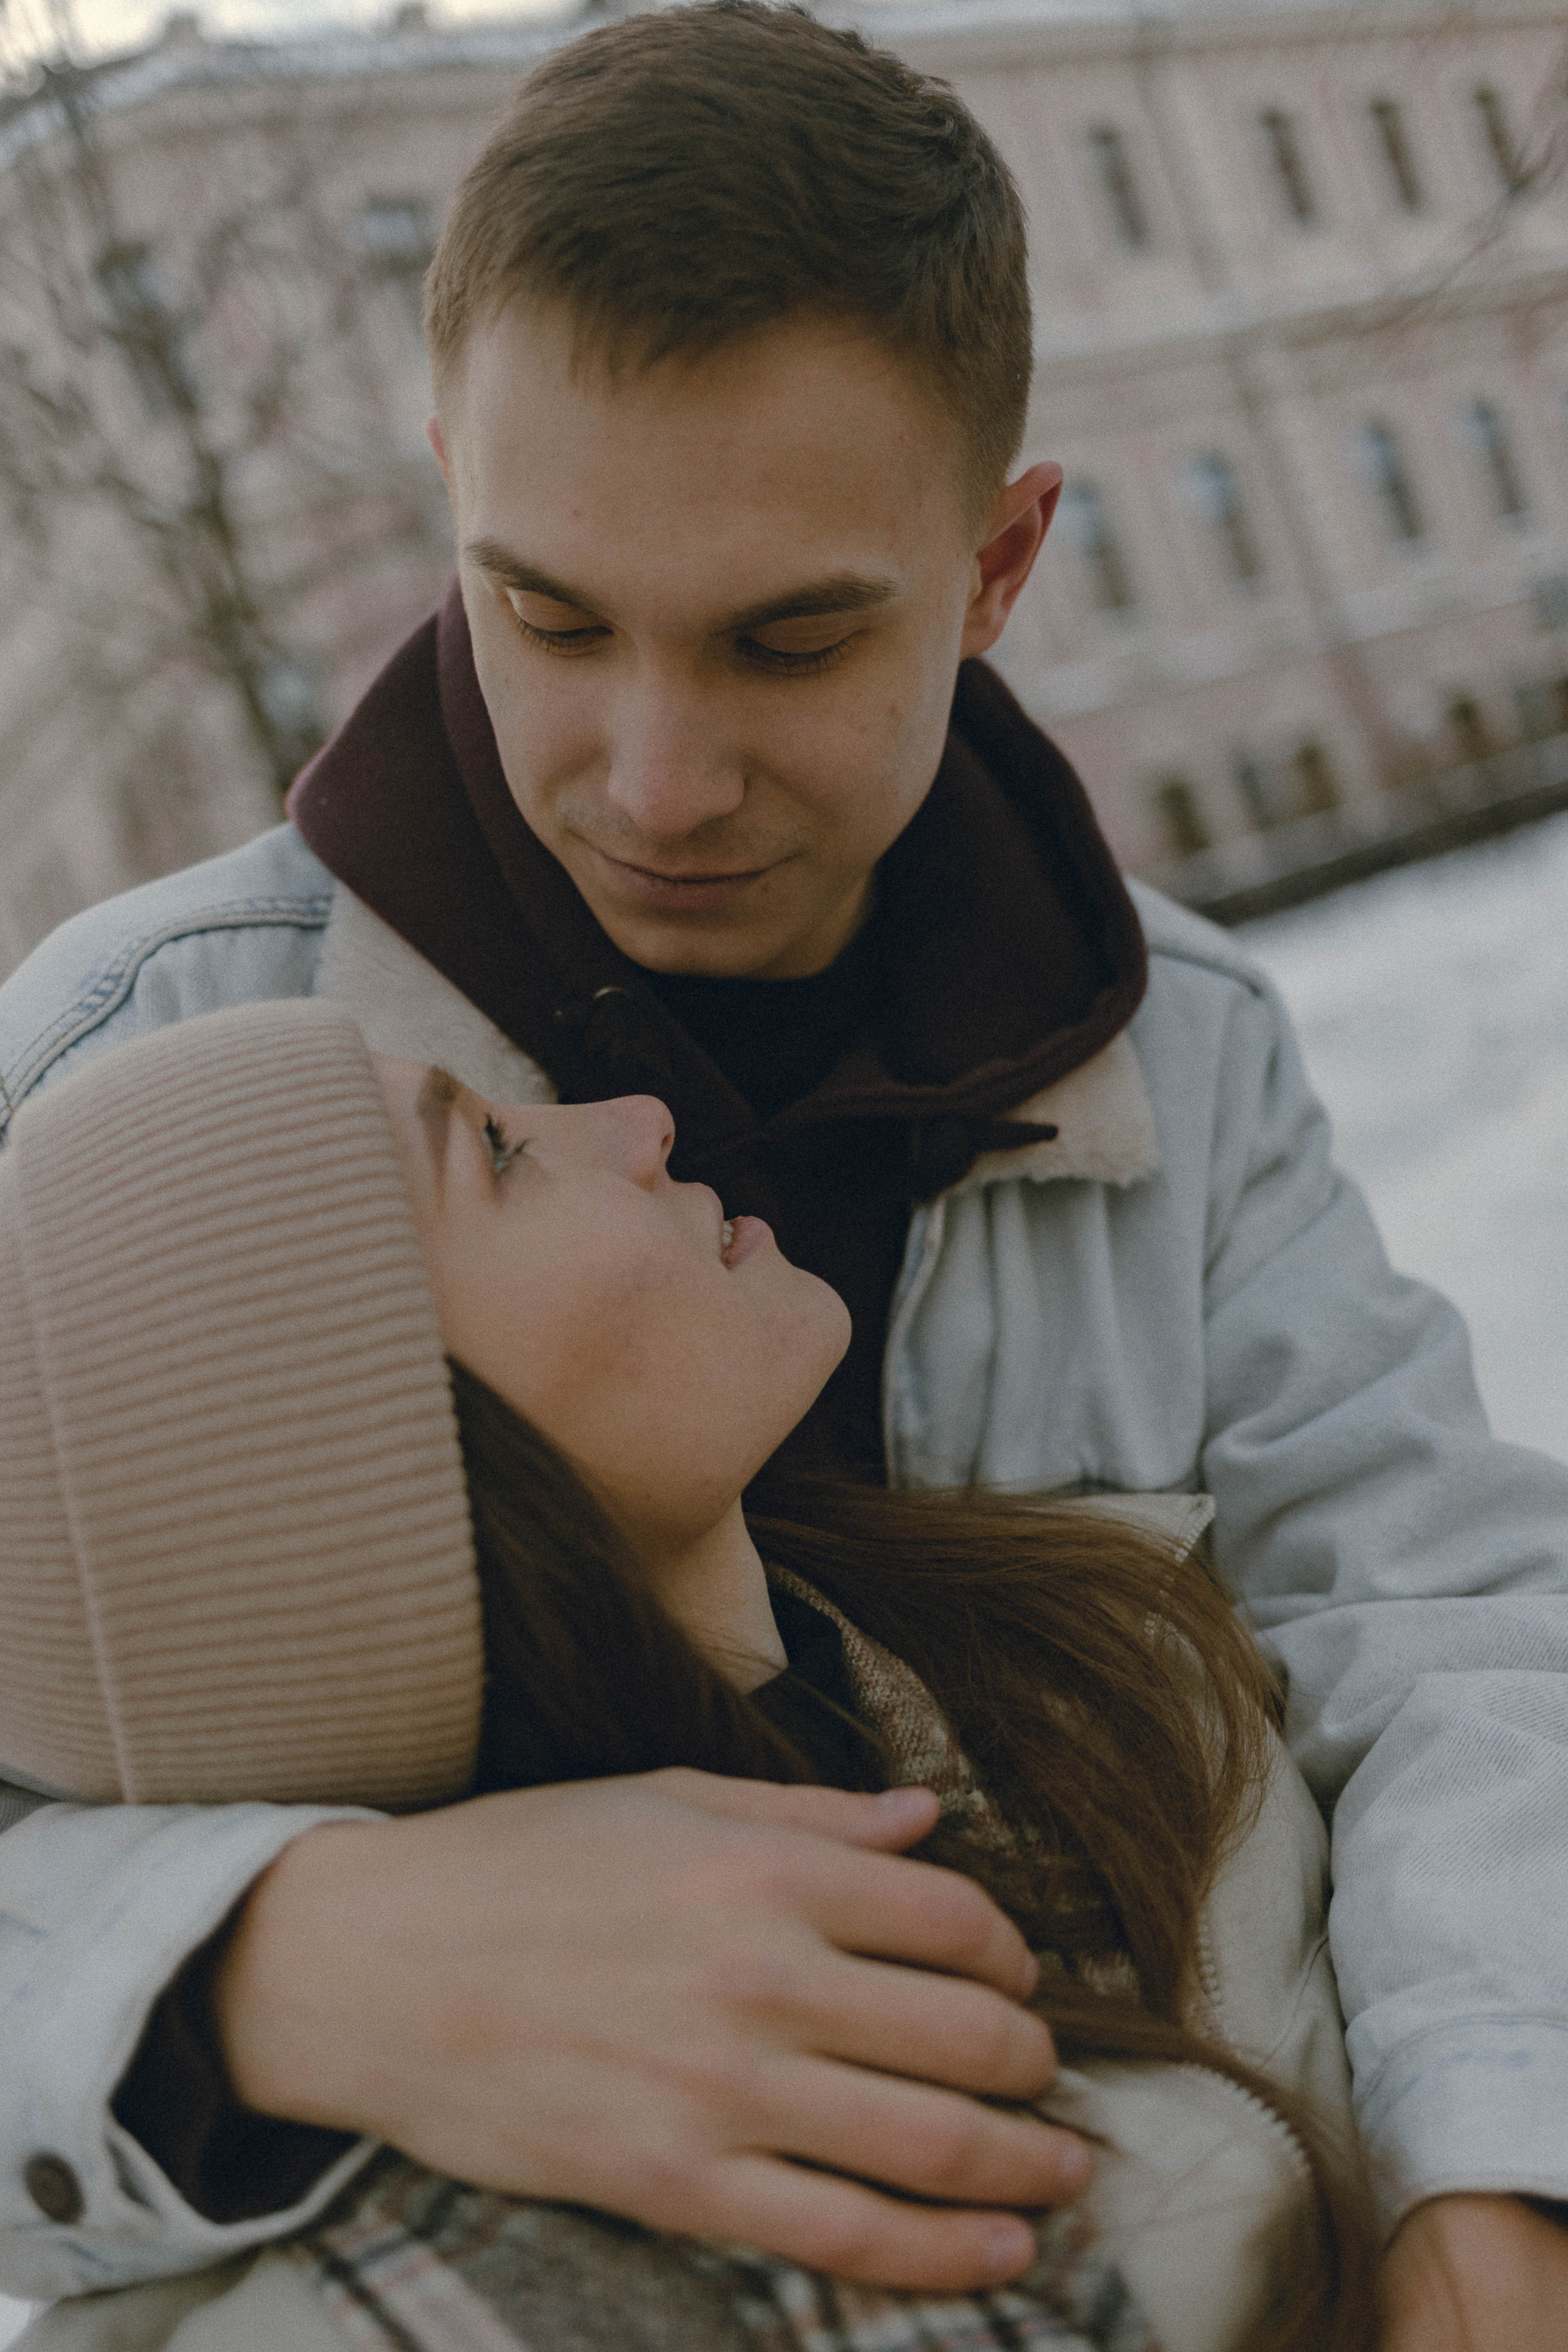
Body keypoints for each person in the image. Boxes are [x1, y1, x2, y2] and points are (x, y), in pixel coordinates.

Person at [1, 5, 1567, 2341]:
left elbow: (1434, 1629)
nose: (653, 778)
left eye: (788, 639)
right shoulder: (146, 1074)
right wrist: (266, 1964)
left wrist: (1494, 2179)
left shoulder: (1186, 1053)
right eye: (548, 613)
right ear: (453, 491)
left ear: (1001, 561)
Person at [0, 999, 1373, 2352]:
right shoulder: (450, 2305)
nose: (640, 1122)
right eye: (493, 1153)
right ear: (371, 1492)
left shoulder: (1097, 1651)